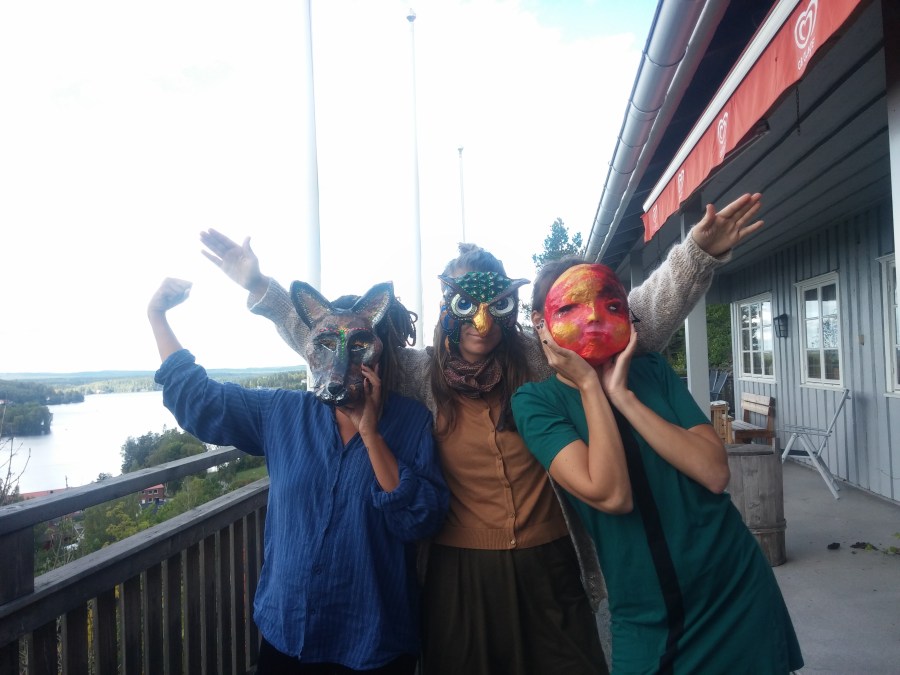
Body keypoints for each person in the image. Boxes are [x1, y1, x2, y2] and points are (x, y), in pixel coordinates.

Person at [199, 193, 766, 674]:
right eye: (467, 303)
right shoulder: (417, 374)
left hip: (550, 564)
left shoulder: (540, 358)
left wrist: (696, 255)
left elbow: (625, 316)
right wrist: (263, 289)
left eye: (497, 304)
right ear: (447, 304)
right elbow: (334, 346)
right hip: (458, 574)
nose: (482, 321)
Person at [511, 259, 804, 674]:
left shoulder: (652, 372)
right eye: (570, 307)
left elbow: (714, 472)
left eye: (611, 305)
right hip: (642, 612)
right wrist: (591, 387)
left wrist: (624, 397)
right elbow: (612, 495)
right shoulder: (536, 403)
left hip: (733, 586)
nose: (593, 317)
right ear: (540, 323)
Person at [147, 277, 449, 675]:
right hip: (288, 632)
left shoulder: (411, 423)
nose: (341, 361)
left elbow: (419, 520)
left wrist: (371, 436)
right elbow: (199, 400)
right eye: (326, 344)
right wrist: (157, 317)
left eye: (359, 346)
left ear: (381, 354)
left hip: (373, 639)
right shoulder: (282, 413)